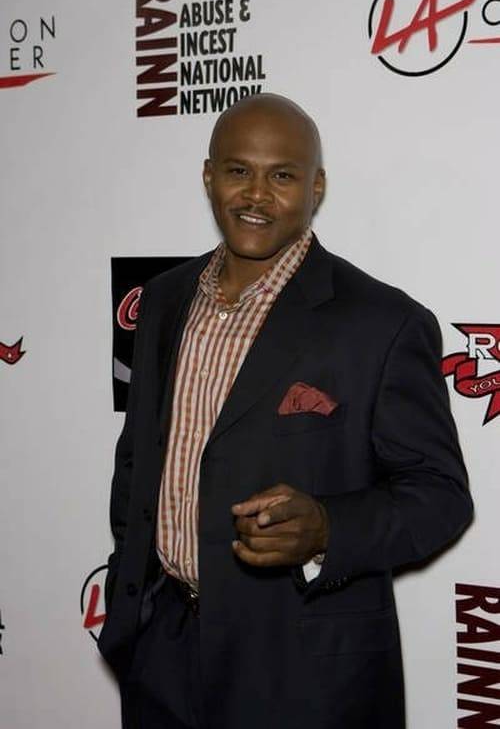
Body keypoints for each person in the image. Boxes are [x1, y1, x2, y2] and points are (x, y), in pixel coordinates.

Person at [98, 93, 473, 729]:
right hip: (161, 651)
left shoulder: (382, 322)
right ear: (209, 176)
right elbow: (139, 459)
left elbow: (440, 497)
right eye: (238, 170)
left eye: (283, 176)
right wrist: (130, 596)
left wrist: (327, 528)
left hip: (302, 673)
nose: (256, 195)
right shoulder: (162, 298)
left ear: (316, 186)